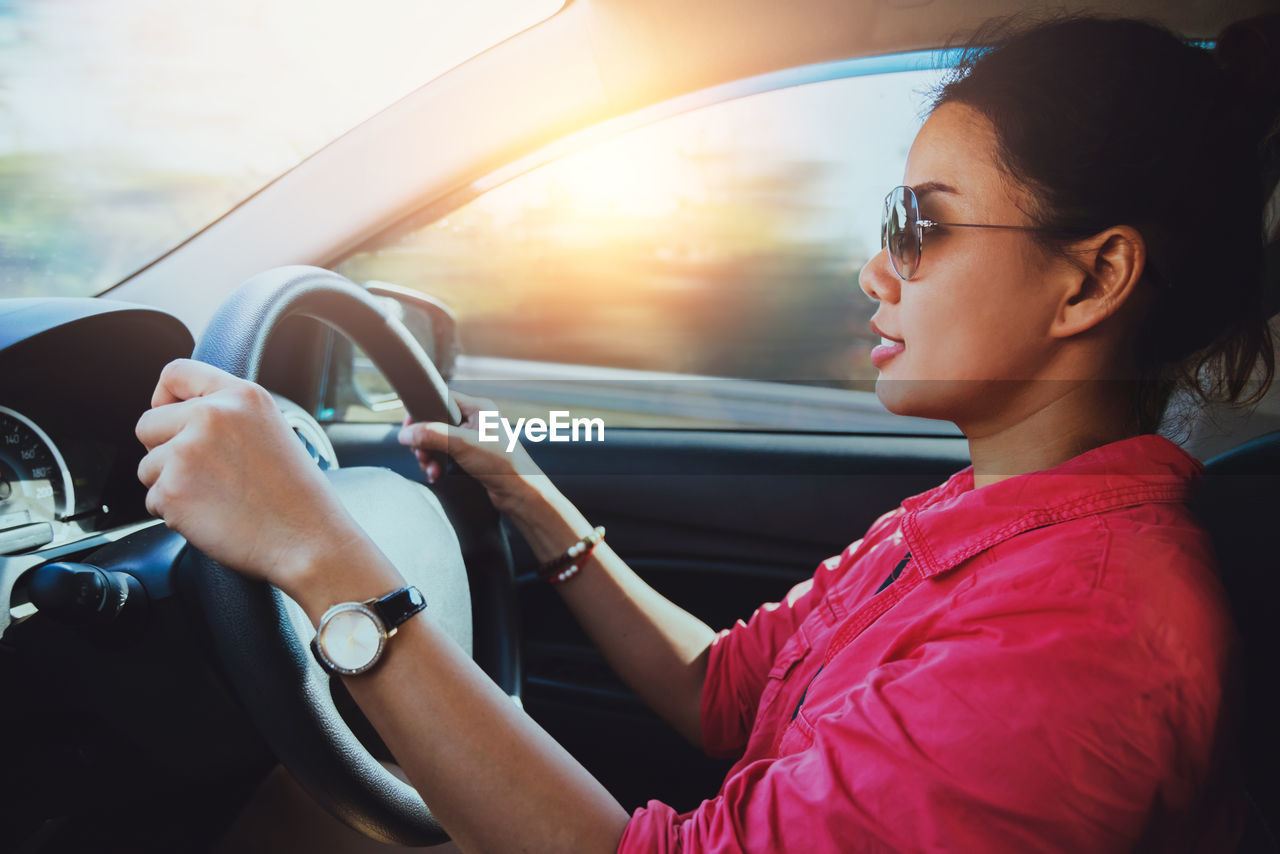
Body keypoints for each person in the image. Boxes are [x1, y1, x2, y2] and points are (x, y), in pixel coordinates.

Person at [135, 13, 1280, 854]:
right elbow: (726, 689)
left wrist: (323, 559)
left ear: (1091, 280)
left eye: (918, 225)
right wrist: (536, 502)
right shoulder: (986, 512)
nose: (873, 267)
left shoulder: (1078, 636)